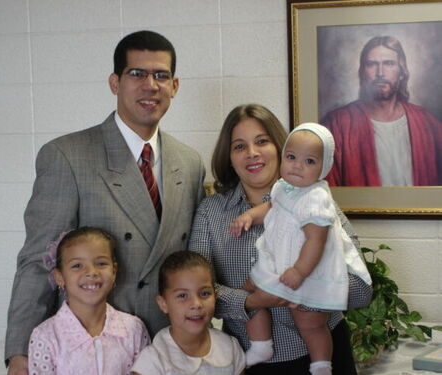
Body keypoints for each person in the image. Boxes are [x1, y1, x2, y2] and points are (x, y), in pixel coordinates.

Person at [6, 30, 205, 375]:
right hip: (96, 350)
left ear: (175, 86)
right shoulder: (67, 156)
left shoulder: (189, 163)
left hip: (171, 347)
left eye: (161, 75)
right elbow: (38, 262)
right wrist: (20, 354)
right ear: (115, 82)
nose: (150, 85)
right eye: (137, 74)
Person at [189, 104, 372, 374]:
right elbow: (196, 292)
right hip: (250, 359)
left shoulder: (316, 203)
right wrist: (252, 301)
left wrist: (299, 291)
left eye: (262, 141)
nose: (252, 153)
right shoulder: (210, 212)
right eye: (239, 146)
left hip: (322, 356)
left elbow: (361, 289)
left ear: (279, 146)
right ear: (228, 157)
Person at [320, 35, 442, 186]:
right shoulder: (337, 124)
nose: (380, 73)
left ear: (402, 71)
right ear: (362, 72)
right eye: (372, 64)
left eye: (389, 63)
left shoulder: (428, 123)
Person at [28, 227, 150, 374]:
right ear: (59, 277)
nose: (91, 272)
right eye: (77, 266)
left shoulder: (134, 329)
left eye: (101, 263)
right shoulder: (45, 336)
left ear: (114, 272)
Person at [131, 250, 246, 375]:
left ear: (215, 296)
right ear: (163, 304)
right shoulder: (153, 360)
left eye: (205, 293)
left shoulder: (230, 347)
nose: (196, 304)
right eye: (182, 296)